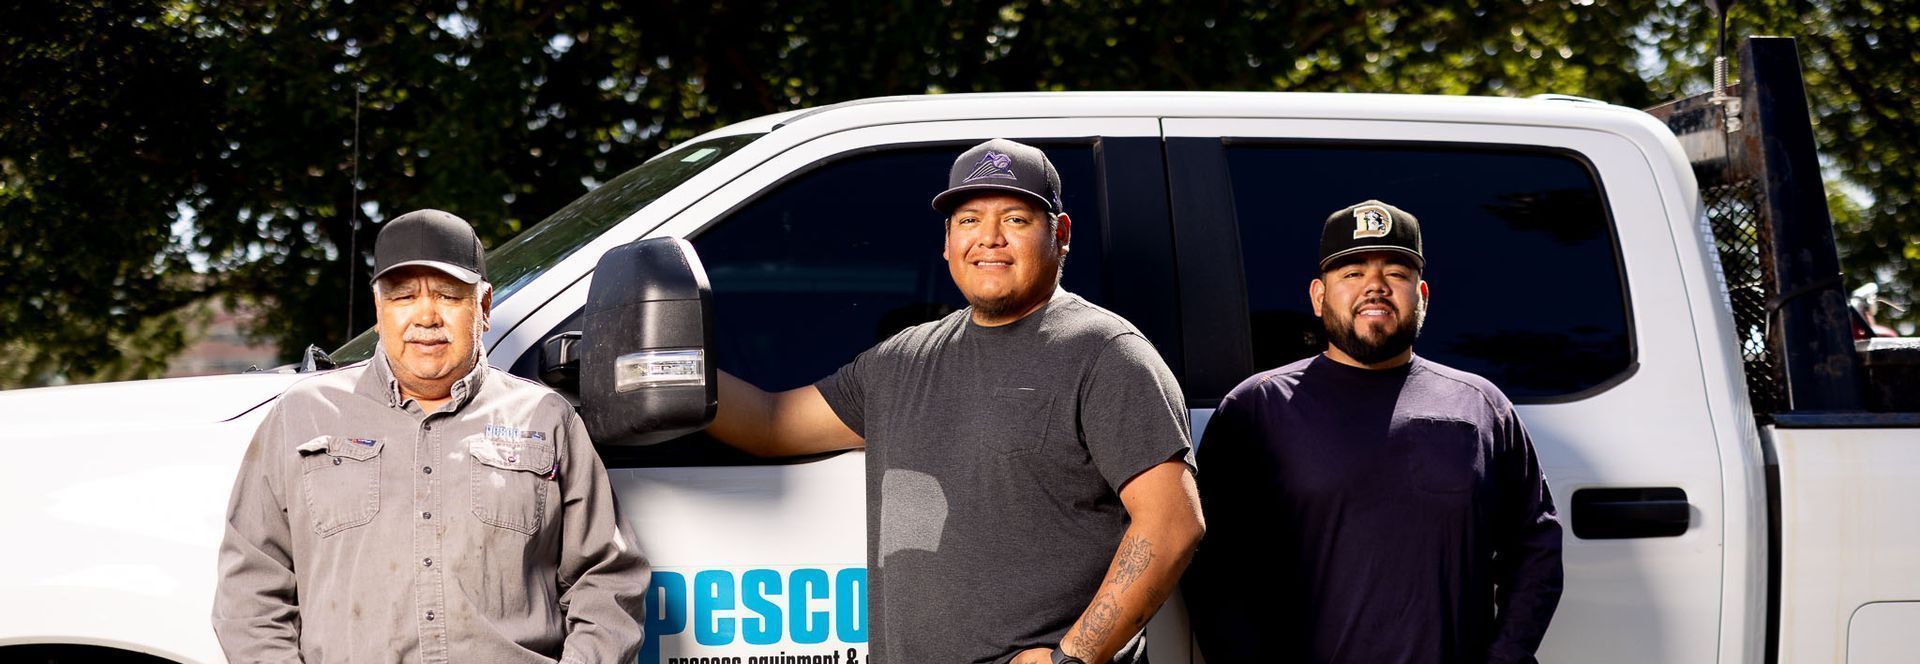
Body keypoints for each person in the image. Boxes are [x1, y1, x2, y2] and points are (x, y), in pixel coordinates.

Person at [708, 139, 1204, 664]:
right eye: (969, 220)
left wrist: (1071, 658)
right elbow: (769, 422)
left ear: (1059, 235)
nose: (989, 239)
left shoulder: (1105, 354)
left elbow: (1173, 524)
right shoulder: (903, 360)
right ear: (947, 241)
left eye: (1015, 219)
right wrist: (653, 365)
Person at [212, 209, 650, 663]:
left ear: (482, 308)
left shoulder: (546, 419)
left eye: (447, 296)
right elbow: (250, 594)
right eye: (403, 297)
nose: (426, 316)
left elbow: (607, 578)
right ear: (379, 311)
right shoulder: (302, 417)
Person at [1184, 200, 1563, 663]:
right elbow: (1214, 574)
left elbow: (1536, 547)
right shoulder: (1256, 409)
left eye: (1396, 273)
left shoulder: (1480, 407)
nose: (1376, 287)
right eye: (1353, 273)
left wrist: (1506, 659)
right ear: (1319, 297)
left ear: (1422, 294)